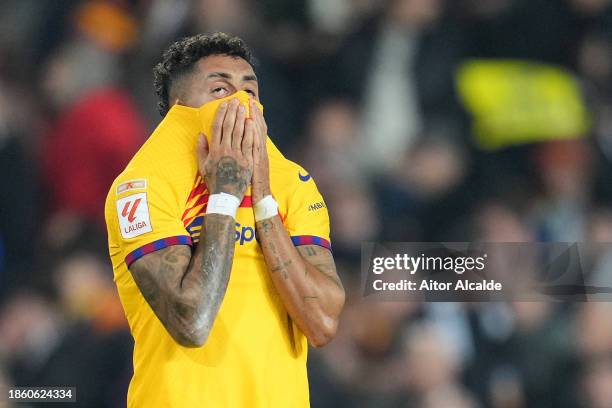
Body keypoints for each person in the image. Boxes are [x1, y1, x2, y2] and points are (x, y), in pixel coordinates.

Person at [104, 32, 345, 407]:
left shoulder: (291, 184)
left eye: (250, 92)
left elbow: (323, 323)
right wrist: (223, 198)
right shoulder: (140, 187)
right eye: (220, 90)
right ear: (180, 103)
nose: (240, 103)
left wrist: (263, 198)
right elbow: (193, 322)